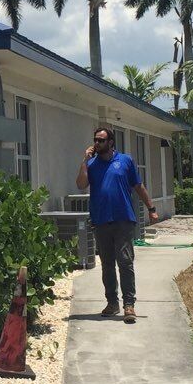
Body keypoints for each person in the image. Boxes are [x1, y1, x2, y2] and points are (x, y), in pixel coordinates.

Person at [76, 127, 159, 324]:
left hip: (123, 219)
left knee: (125, 262)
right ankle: (112, 303)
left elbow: (138, 186)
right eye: (96, 140)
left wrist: (151, 208)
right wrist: (85, 161)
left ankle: (129, 305)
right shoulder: (92, 164)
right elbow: (80, 184)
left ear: (111, 142)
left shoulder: (125, 161)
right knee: (106, 264)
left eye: (102, 140)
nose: (97, 143)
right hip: (101, 220)